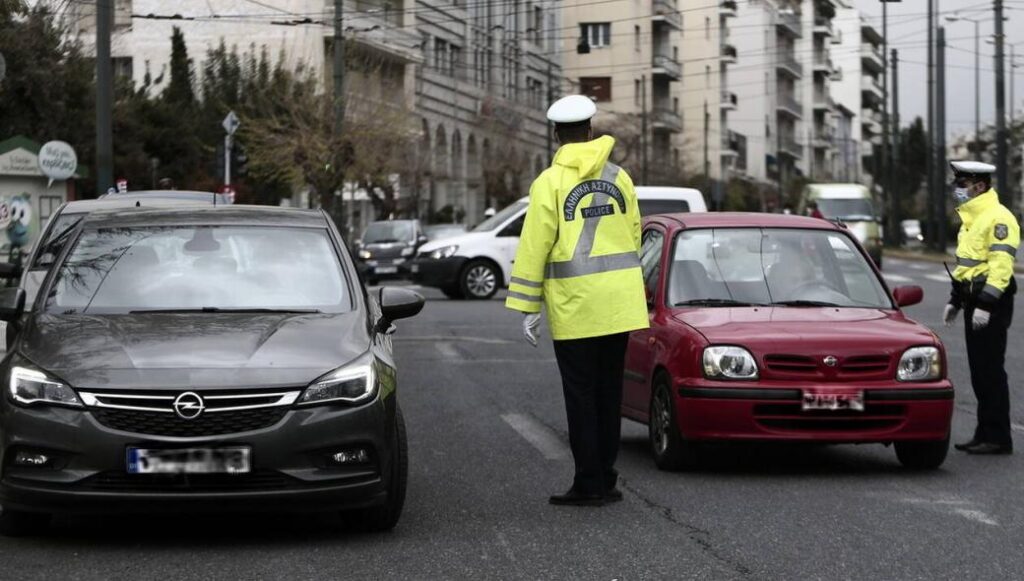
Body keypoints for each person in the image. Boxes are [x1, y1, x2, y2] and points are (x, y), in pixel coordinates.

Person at [505, 95, 649, 506]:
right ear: (590, 129)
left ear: (557, 136)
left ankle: (588, 483)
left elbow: (535, 246)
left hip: (576, 305)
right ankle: (607, 476)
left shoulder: (550, 182)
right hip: (620, 304)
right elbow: (635, 233)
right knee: (608, 393)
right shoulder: (620, 177)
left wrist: (528, 306)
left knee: (581, 396)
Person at [943, 160, 1019, 455]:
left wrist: (986, 304)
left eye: (962, 185)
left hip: (992, 302)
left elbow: (1000, 268)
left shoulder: (998, 218)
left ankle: (999, 436)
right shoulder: (972, 219)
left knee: (989, 369)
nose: (957, 191)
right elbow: (967, 268)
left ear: (980, 186)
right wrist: (955, 300)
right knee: (978, 370)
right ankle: (984, 431)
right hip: (975, 300)